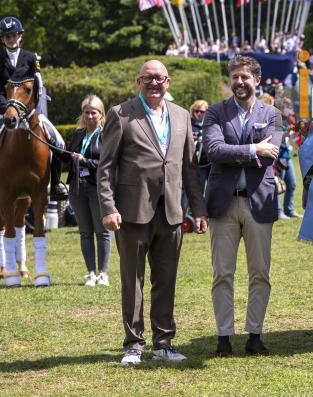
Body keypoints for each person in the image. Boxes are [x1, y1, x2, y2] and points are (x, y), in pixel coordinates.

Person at [97, 59, 208, 365]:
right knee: (132, 281)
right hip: (131, 213)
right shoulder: (120, 114)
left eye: (159, 79)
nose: (154, 84)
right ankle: (133, 345)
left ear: (168, 82)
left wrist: (198, 209)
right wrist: (108, 207)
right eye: (148, 79)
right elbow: (105, 168)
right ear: (139, 82)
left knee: (166, 279)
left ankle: (163, 344)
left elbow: (190, 169)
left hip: (171, 213)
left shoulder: (182, 116)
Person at [203, 55, 283, 357]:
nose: (239, 82)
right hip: (223, 204)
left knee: (260, 273)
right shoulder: (215, 113)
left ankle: (254, 335)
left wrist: (241, 151)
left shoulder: (272, 114)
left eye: (245, 77)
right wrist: (253, 148)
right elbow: (213, 150)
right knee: (222, 273)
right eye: (235, 77)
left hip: (258, 203)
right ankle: (224, 337)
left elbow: (271, 155)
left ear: (256, 80)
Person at [0, 16, 68, 202]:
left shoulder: (30, 58)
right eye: (7, 37)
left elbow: (38, 85)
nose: (11, 39)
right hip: (6, 112)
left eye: (14, 35)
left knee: (58, 142)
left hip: (29, 111)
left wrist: (33, 110)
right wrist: (8, 107)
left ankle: (55, 184)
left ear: (20, 36)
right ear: (2, 39)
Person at [54, 95, 111, 287]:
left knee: (101, 231)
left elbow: (106, 163)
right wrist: (51, 144)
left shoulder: (106, 135)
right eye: (86, 112)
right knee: (85, 232)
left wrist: (85, 161)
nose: (89, 116)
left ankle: (103, 273)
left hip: (97, 188)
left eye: (93, 112)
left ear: (101, 114)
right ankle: (91, 273)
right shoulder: (79, 134)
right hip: (77, 189)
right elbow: (69, 157)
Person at [190, 99, 211, 190]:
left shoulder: (210, 124)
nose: (199, 113)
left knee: (211, 189)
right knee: (199, 189)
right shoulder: (188, 123)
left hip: (210, 162)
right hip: (197, 164)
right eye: (196, 111)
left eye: (202, 111)